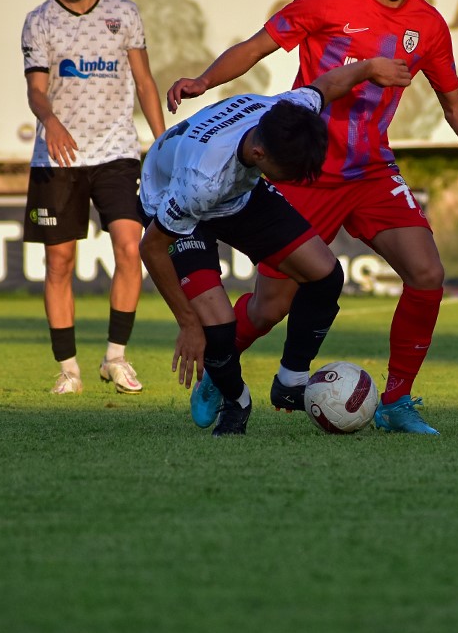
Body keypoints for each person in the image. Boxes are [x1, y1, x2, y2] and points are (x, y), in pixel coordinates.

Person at [167, 0, 458, 435]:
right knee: (269, 309)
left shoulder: (427, 26)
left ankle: (396, 402)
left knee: (428, 275)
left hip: (371, 173)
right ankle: (219, 377)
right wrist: (203, 82)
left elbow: (456, 105)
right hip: (304, 171)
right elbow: (257, 47)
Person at [141, 57, 411, 436]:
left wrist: (369, 69)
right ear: (261, 156)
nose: (300, 181)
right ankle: (235, 400)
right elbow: (151, 248)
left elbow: (330, 83)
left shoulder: (286, 113)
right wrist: (188, 323)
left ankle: (291, 380)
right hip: (174, 195)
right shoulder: (200, 183)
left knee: (326, 275)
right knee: (216, 330)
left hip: (240, 191)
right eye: (293, 175)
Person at [21, 0, 165, 396]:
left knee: (130, 245)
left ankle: (115, 358)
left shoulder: (123, 14)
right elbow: (36, 91)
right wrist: (53, 122)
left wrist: (162, 142)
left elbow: (144, 82)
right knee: (59, 262)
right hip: (57, 158)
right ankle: (69, 369)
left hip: (116, 152)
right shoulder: (40, 21)